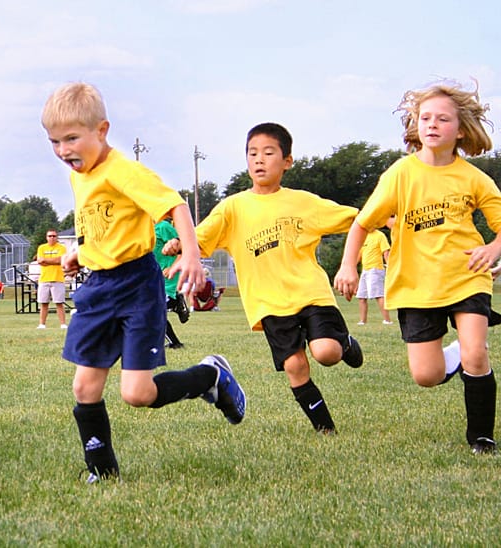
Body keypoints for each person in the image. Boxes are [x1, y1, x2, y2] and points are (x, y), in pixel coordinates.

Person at [41, 82, 246, 483]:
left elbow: (176, 206)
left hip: (136, 287)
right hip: (98, 289)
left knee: (137, 394)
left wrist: (191, 255)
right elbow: (102, 224)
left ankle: (210, 377)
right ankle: (102, 472)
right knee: (84, 387)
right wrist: (80, 252)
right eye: (54, 141)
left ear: (101, 131)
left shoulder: (124, 171)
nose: (63, 150)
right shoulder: (79, 176)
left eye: (72, 138)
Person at [334, 80, 500, 454]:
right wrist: (347, 266)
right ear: (416, 124)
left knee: (477, 353)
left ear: (460, 130)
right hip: (415, 285)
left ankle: (481, 438)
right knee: (427, 375)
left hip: (466, 276)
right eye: (425, 118)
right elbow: (362, 223)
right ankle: (458, 353)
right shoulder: (400, 174)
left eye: (443, 119)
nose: (432, 124)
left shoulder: (473, 178)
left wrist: (493, 248)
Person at [165, 122, 363, 435]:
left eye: (269, 153)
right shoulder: (233, 208)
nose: (259, 159)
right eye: (252, 153)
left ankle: (345, 343)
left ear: (287, 161)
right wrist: (179, 244)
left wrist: (388, 217)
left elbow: (357, 219)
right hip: (268, 302)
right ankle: (326, 430)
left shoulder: (303, 202)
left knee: (326, 352)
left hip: (310, 292)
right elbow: (201, 238)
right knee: (294, 365)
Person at [153, 218, 190, 349]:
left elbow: (183, 248)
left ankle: (175, 343)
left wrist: (172, 267)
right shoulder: (143, 232)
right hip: (154, 279)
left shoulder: (163, 226)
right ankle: (175, 303)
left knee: (153, 311)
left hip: (168, 277)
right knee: (152, 311)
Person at [356, 224, 393, 325]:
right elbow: (359, 254)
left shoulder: (380, 236)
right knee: (361, 296)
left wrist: (389, 266)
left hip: (375, 270)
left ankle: (387, 320)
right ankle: (363, 321)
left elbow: (386, 252)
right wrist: (351, 266)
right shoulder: (363, 236)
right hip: (365, 270)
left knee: (378, 295)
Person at [36, 229, 68, 329]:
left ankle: (63, 324)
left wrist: (46, 260)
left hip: (58, 278)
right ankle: (42, 324)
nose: (52, 238)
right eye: (50, 236)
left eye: (54, 236)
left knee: (59, 303)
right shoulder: (41, 248)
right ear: (46, 237)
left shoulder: (61, 248)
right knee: (44, 303)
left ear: (57, 237)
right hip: (44, 279)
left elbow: (60, 260)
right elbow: (40, 261)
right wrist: (52, 261)